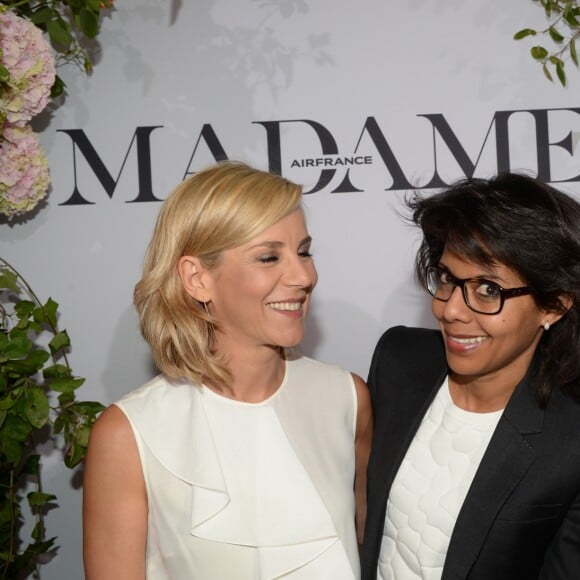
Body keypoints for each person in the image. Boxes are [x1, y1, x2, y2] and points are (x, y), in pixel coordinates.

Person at [83, 161, 372, 579]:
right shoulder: (130, 434)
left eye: (304, 251)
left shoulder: (347, 398)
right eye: (269, 257)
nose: (303, 275)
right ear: (197, 279)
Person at [361, 173, 580, 580]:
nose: (451, 310)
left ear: (553, 307)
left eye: (487, 289)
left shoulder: (570, 441)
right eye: (447, 279)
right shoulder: (398, 362)